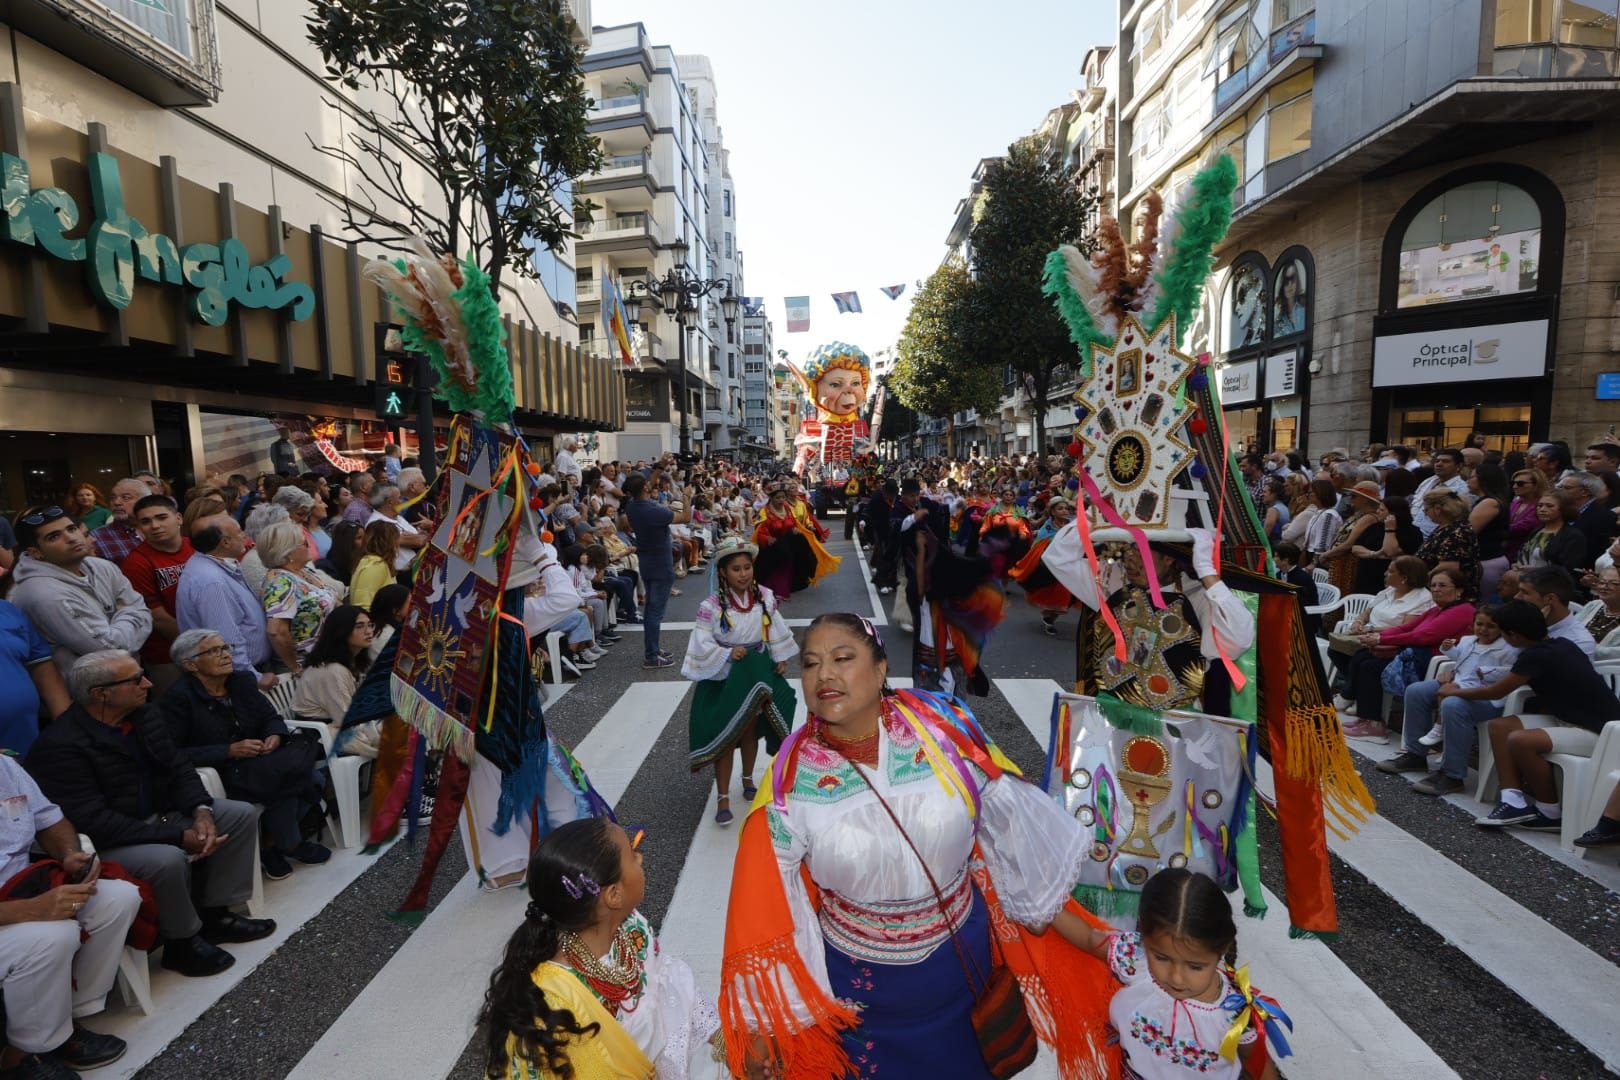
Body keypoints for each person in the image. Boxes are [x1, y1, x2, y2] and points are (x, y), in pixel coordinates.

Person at [718, 613, 1118, 1079]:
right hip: (859, 991)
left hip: (960, 972)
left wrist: (1094, 941)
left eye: (843, 658)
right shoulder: (790, 781)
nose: (825, 674)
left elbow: (1013, 842)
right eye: (810, 664)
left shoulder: (945, 732)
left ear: (881, 668)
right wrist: (765, 1027)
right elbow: (768, 910)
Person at [26, 651, 273, 977]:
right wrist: (176, 836)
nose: (147, 683)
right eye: (134, 680)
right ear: (101, 693)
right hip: (110, 839)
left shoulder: (143, 716)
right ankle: (182, 943)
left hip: (162, 816)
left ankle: (216, 914)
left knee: (237, 815)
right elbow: (94, 822)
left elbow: (179, 768)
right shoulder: (61, 746)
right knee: (165, 860)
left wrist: (201, 812)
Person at [479, 817, 724, 1079]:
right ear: (614, 895)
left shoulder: (632, 929)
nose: (640, 858)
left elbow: (667, 985)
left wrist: (723, 1040)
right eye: (631, 855)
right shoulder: (556, 1002)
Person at [1060, 868, 1287, 1080]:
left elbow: (1255, 1059)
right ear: (1145, 939)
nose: (1176, 978)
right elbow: (1090, 939)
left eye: (1195, 967)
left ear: (1222, 948)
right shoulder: (1135, 958)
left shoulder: (1234, 1011)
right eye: (1161, 958)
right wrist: (1041, 911)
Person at [0, 754, 140, 1078]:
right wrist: (34, 910)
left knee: (117, 900)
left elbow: (50, 820)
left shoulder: (5, 768)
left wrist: (68, 855)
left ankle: (64, 1023)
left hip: (25, 892)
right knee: (54, 935)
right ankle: (18, 1057)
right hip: (15, 911)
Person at [159, 630, 329, 880]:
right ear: (189, 664)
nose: (225, 655)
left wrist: (276, 735)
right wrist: (228, 751)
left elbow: (270, 717)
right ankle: (290, 844)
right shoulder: (178, 700)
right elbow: (173, 754)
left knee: (314, 779)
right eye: (213, 651)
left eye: (225, 647)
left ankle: (271, 843)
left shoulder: (240, 682)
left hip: (263, 760)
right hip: (221, 770)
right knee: (286, 783)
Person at [1465, 602, 1620, 831]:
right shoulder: (1562, 644)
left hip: (1599, 733)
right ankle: (1513, 800)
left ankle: (1549, 812)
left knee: (1520, 740)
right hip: (1571, 720)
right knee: (1500, 726)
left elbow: (1496, 691)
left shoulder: (1535, 657)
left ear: (1513, 636)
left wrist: (1453, 691)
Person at [680, 538, 799, 827]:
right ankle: (722, 796)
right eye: (736, 569)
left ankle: (748, 780)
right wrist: (726, 653)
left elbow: (775, 626)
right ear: (723, 572)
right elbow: (701, 641)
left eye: (747, 567)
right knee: (727, 732)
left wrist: (780, 655)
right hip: (727, 674)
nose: (743, 574)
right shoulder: (711, 606)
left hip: (757, 669)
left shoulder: (764, 597)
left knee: (749, 729)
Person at [1378, 604, 1520, 795]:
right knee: (1416, 691)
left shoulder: (1509, 649)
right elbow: (1460, 659)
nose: (1484, 630)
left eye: (1491, 626)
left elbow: (1511, 675)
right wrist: (1450, 667)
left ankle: (1453, 774)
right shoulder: (1468, 640)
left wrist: (1484, 674)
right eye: (1480, 624)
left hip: (1488, 694)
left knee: (1453, 705)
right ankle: (1415, 754)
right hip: (1460, 682)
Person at [10, 506, 152, 679]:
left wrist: (123, 618)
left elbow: (145, 612)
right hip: (88, 694)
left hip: (129, 678)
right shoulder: (43, 594)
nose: (71, 538)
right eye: (54, 537)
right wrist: (128, 611)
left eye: (71, 529)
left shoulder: (101, 566)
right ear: (35, 553)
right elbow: (110, 649)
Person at [1339, 568, 1475, 739]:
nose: (1436, 589)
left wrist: (1382, 640)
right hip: (1417, 653)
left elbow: (1424, 636)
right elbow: (1406, 628)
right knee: (1361, 656)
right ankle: (1364, 716)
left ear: (1459, 590)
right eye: (1433, 585)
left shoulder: (1462, 610)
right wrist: (1377, 636)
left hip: (1436, 662)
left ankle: (1373, 724)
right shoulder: (1436, 610)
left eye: (1442, 585)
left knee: (1371, 666)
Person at [177, 512, 276, 690]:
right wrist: (253, 677)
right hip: (238, 677)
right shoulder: (211, 581)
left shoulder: (215, 565)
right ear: (225, 542)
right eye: (239, 532)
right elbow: (225, 636)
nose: (244, 535)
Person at [120, 493, 196, 695]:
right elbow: (158, 618)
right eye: (146, 521)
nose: (154, 526)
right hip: (166, 655)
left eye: (161, 517)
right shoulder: (136, 562)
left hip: (206, 645)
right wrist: (199, 648)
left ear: (178, 518)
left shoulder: (196, 547)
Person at [292, 605, 380, 758]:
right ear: (341, 632)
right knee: (387, 739)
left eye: (370, 624)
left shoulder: (350, 661)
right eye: (360, 626)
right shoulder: (333, 670)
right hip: (318, 734)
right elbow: (345, 718)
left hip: (337, 722)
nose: (368, 631)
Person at [259, 521, 339, 675]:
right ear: (288, 553)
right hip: (306, 667)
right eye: (304, 542)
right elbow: (277, 631)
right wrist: (295, 667)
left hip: (324, 658)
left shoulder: (303, 572)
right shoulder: (281, 582)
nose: (309, 544)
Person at [623, 473, 683, 670]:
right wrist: (687, 496)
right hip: (661, 565)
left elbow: (646, 483)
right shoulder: (654, 511)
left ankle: (654, 650)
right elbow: (686, 516)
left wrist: (660, 468)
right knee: (655, 612)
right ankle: (651, 655)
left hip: (647, 563)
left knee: (651, 610)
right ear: (646, 489)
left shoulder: (632, 507)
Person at [752, 480, 840, 601]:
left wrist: (795, 529)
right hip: (771, 548)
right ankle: (778, 591)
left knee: (800, 551)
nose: (781, 500)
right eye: (778, 498)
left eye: (783, 497)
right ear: (771, 499)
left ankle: (791, 585)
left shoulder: (787, 509)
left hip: (787, 544)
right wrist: (768, 539)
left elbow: (793, 523)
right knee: (782, 558)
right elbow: (759, 532)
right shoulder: (764, 512)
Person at [1516, 566, 1597, 656]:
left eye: (1525, 592)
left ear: (1550, 598)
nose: (1516, 597)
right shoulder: (1520, 619)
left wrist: (1536, 632)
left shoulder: (1579, 642)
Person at [1415, 490, 1481, 598]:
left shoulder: (1457, 532)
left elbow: (1448, 566)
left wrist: (1421, 580)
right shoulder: (1445, 527)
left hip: (1447, 593)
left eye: (1426, 509)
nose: (1425, 513)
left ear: (1437, 509)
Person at [1468, 462, 1513, 599]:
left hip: (1487, 561)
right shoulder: (1486, 501)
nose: (1468, 481)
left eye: (1472, 477)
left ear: (1484, 479)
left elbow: (1468, 532)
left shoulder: (1490, 503)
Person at [1560, 471, 1617, 570]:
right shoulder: (1562, 510)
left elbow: (1595, 551)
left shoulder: (1603, 516)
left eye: (1567, 488)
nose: (1561, 491)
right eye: (1561, 487)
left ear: (1584, 492)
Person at [88, 478, 152, 565]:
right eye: (112, 498)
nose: (116, 502)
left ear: (145, 501)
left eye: (126, 497)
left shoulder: (158, 529)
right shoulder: (96, 538)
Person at [366, 485, 426, 572]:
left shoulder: (397, 517)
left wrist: (420, 536)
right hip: (400, 574)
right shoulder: (376, 524)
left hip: (415, 567)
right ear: (390, 502)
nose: (402, 501)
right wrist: (419, 536)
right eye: (399, 498)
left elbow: (422, 536)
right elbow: (419, 542)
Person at [1410, 449, 1468, 538]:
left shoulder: (1462, 489)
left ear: (1459, 466)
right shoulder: (1428, 481)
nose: (1439, 464)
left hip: (1434, 537)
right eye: (1437, 461)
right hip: (1413, 531)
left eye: (1446, 461)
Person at [348, 519, 402, 614]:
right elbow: (363, 605)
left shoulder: (372, 561)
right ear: (388, 541)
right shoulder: (375, 564)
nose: (398, 544)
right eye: (396, 539)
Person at [1274, 541, 1321, 637]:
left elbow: (1304, 602)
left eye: (1276, 556)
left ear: (1285, 560)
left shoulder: (1302, 578)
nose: (1273, 559)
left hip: (1304, 619)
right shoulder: (1279, 574)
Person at [1577, 564, 1620, 660]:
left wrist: (1583, 646)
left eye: (1613, 583)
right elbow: (1571, 629)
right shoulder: (1594, 605)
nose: (1604, 587)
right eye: (1601, 582)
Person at [1505, 468, 1548, 563]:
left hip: (1526, 555)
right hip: (1507, 551)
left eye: (1520, 483)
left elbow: (1523, 527)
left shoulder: (1542, 505)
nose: (1515, 486)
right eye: (1513, 483)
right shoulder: (1515, 503)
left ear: (1536, 485)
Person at [366, 583, 411, 663]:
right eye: (409, 602)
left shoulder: (380, 627)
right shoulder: (387, 635)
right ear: (395, 610)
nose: (413, 605)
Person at [317, 520, 365, 587]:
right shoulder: (328, 569)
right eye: (359, 538)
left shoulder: (365, 561)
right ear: (346, 541)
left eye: (365, 537)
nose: (365, 541)